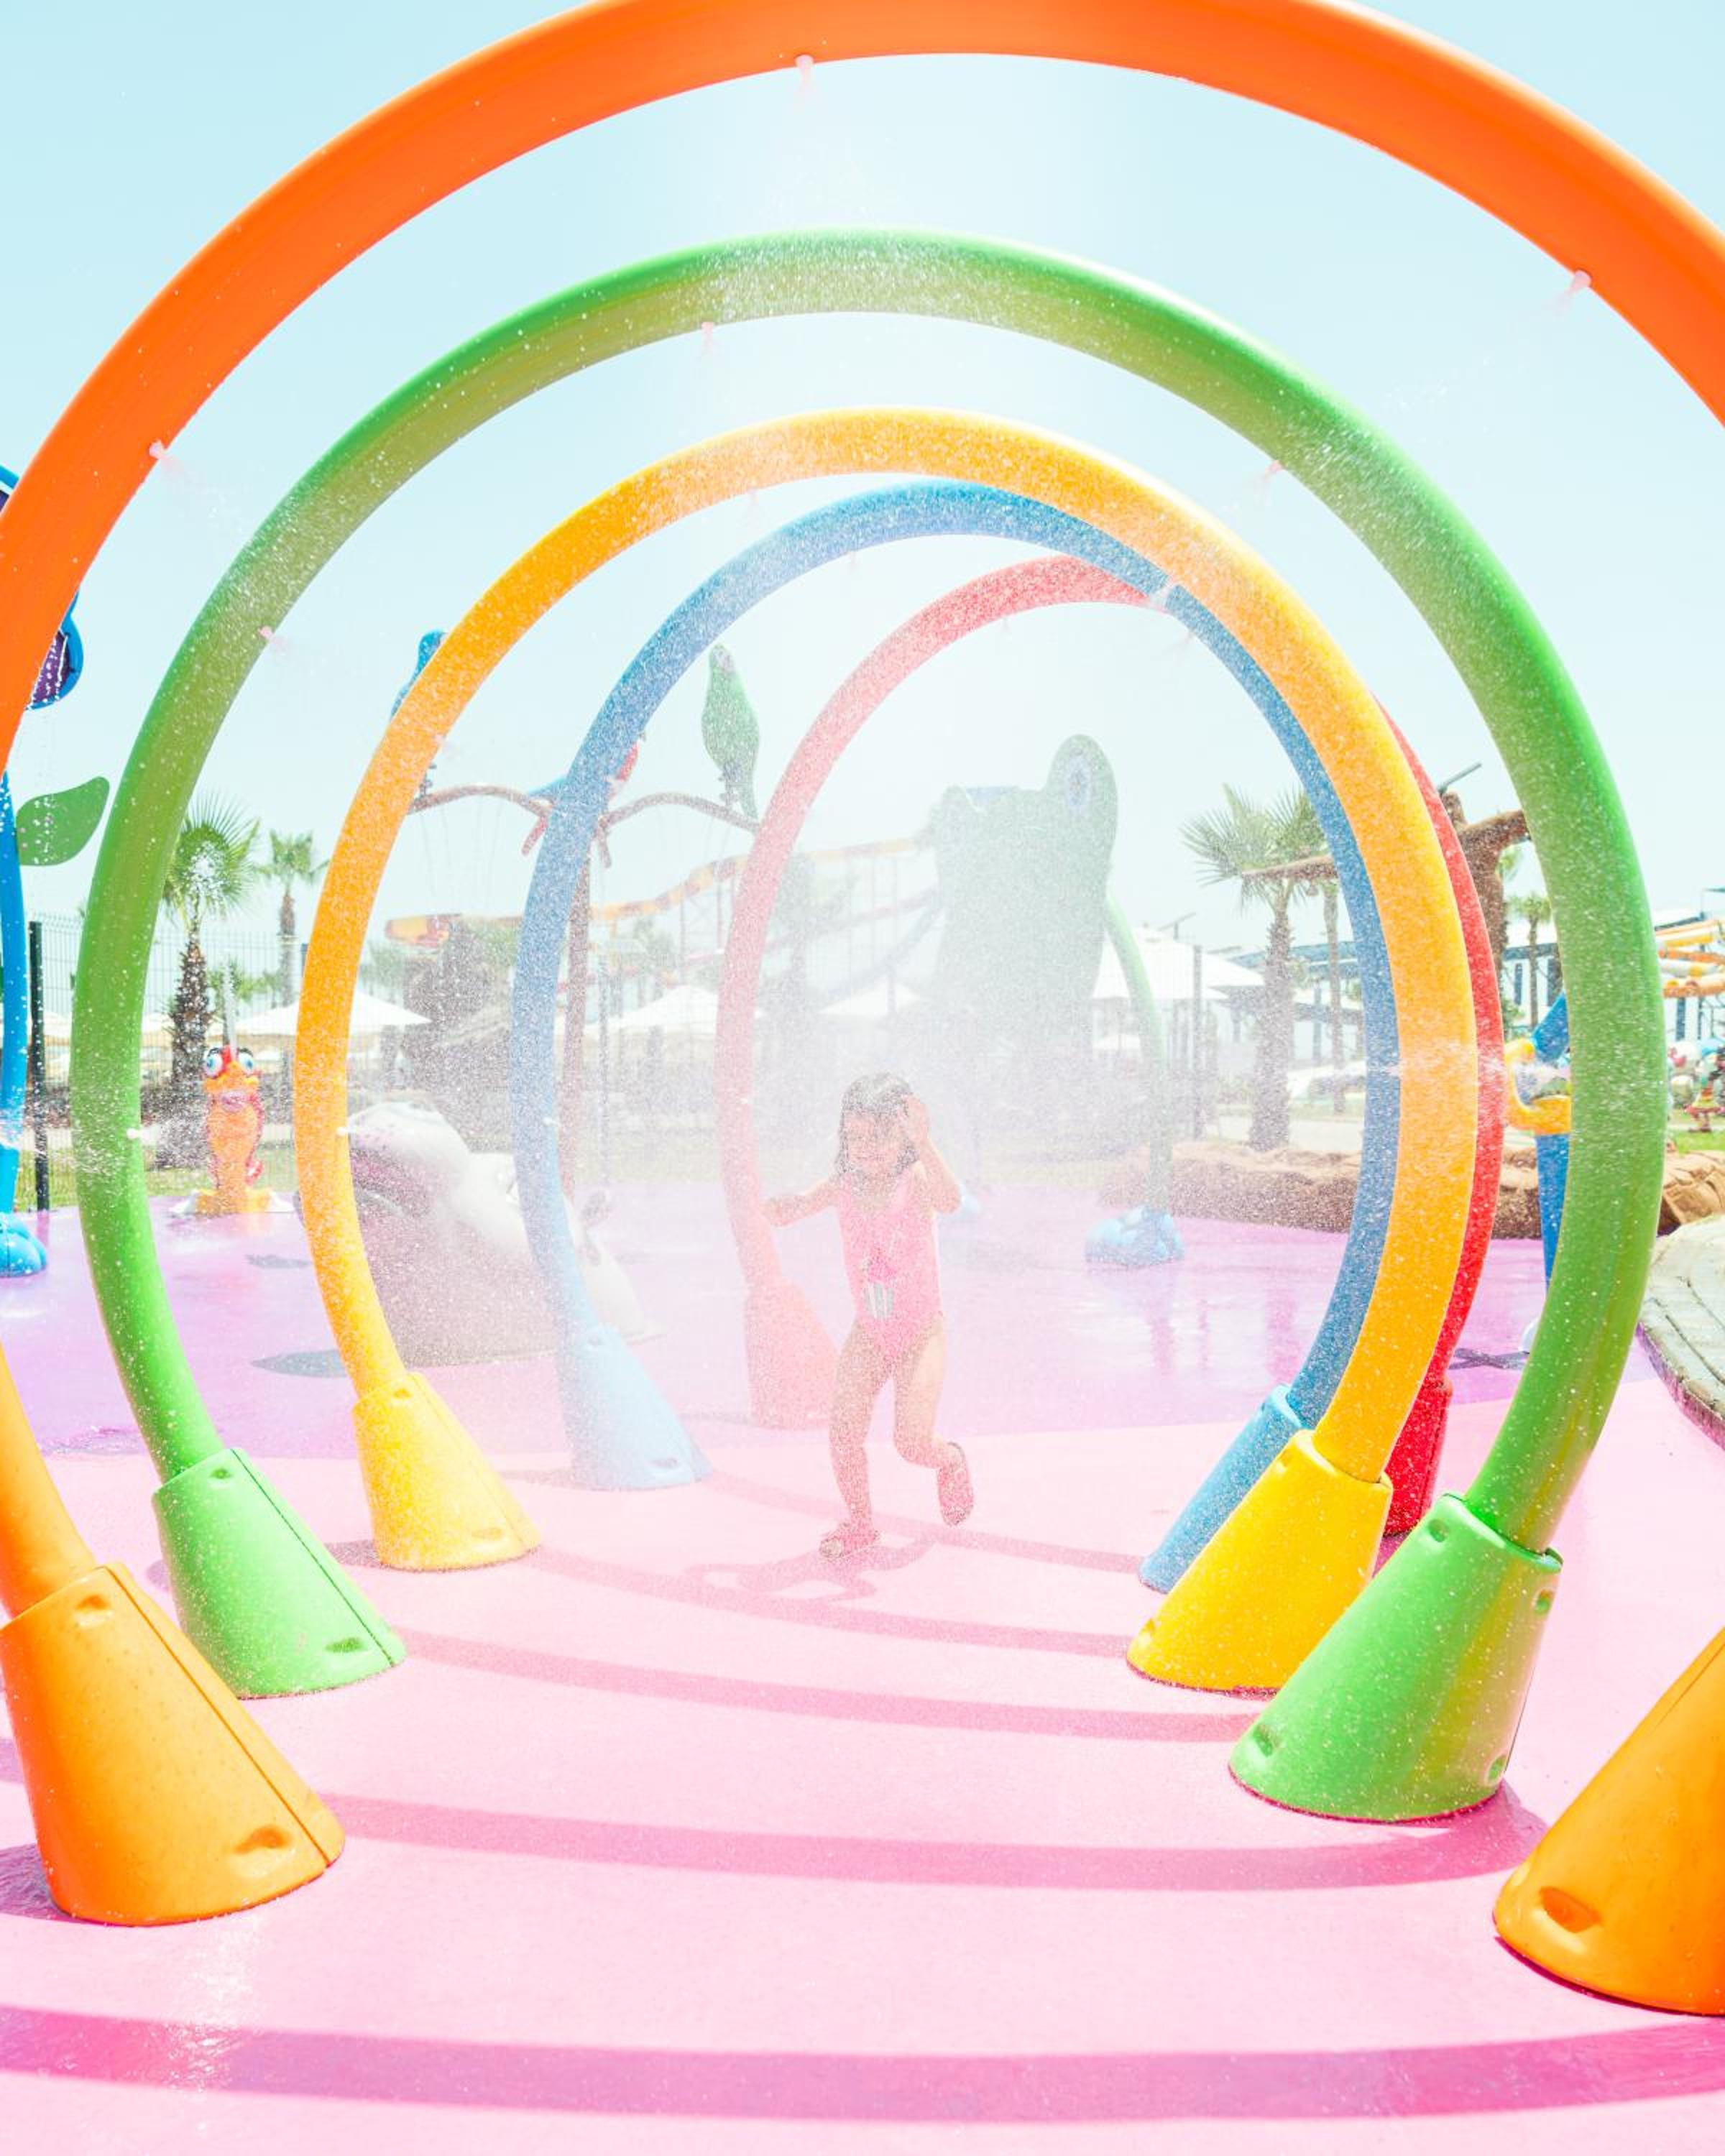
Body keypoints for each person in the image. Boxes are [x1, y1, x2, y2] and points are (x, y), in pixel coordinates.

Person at [764, 1072, 972, 1558]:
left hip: (921, 1331)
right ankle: (860, 1522)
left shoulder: (915, 1180)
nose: (866, 1148)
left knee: (912, 1443)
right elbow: (800, 1207)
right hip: (871, 1331)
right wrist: (782, 1209)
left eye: (879, 1136)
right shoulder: (844, 1185)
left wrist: (926, 1144)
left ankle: (949, 1461)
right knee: (842, 1432)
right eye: (855, 1138)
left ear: (904, 1133)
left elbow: (952, 1202)